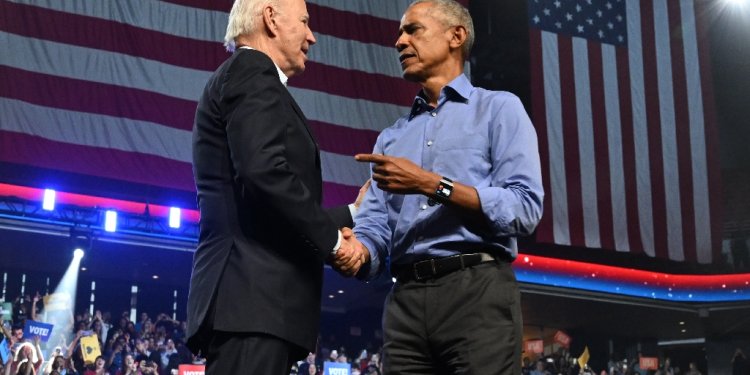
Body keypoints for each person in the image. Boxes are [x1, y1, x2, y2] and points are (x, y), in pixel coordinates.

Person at [349, 0, 543, 373]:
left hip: (478, 292)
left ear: (457, 36)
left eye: (412, 30)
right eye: (400, 33)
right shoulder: (390, 139)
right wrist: (356, 253)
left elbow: (524, 207)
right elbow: (374, 229)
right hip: (404, 300)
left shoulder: (499, 110)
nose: (399, 41)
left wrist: (430, 184)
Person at [185, 0, 366, 374]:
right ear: (270, 18)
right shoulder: (253, 71)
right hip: (252, 303)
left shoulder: (250, 77)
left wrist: (353, 214)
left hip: (257, 307)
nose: (312, 36)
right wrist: (334, 243)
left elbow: (264, 210)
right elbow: (263, 172)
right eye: (304, 22)